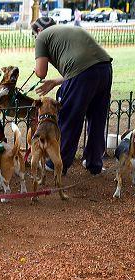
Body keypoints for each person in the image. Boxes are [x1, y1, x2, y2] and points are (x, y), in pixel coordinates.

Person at [32, 17, 113, 175]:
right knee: (97, 118)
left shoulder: (42, 36)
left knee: (69, 118)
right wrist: (56, 81)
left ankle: (58, 164)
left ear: (39, 31)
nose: (35, 39)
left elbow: (41, 72)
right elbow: (85, 66)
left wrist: (36, 68)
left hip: (83, 73)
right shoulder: (68, 30)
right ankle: (94, 163)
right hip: (105, 69)